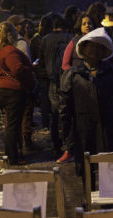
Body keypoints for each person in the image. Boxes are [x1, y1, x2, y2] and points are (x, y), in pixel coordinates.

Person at [59, 27, 113, 181]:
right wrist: (66, 135)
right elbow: (65, 108)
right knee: (87, 173)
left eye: (99, 47)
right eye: (90, 46)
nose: (94, 50)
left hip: (110, 130)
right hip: (83, 132)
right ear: (83, 48)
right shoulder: (73, 75)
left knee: (111, 173)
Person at [0, 21, 35, 165]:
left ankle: (13, 154)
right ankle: (13, 157)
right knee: (13, 126)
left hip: (1, 89)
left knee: (11, 124)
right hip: (13, 90)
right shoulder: (9, 50)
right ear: (10, 34)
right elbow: (17, 70)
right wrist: (30, 70)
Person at [56, 13, 95, 164]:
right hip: (77, 86)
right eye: (84, 23)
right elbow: (65, 64)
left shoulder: (98, 40)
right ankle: (70, 150)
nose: (87, 25)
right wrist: (76, 74)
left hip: (95, 85)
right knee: (73, 119)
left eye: (90, 22)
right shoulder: (73, 42)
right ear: (79, 25)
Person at [40, 14, 72, 158]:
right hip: (67, 80)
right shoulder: (70, 38)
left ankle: (55, 145)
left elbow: (40, 60)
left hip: (52, 81)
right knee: (68, 113)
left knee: (54, 115)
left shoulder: (45, 40)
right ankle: (68, 144)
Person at [31, 14, 53, 132]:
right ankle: (52, 121)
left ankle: (45, 124)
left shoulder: (35, 39)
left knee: (44, 99)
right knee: (51, 98)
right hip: (49, 71)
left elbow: (33, 57)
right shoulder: (50, 38)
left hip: (40, 72)